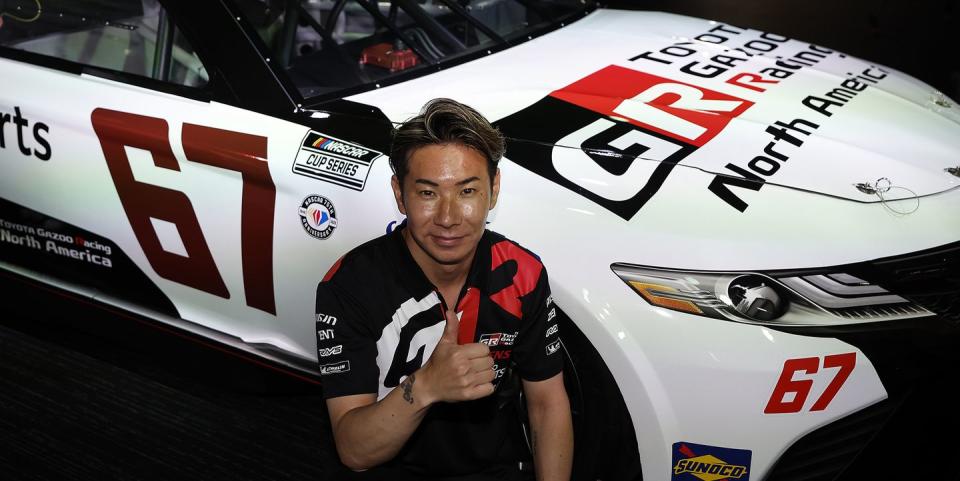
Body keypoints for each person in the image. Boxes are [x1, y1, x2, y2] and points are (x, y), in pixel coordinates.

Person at [315, 98, 573, 480]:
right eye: (428, 193)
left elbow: (548, 404)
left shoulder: (522, 272)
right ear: (400, 194)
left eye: (467, 192)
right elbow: (354, 451)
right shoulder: (349, 285)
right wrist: (426, 387)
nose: (449, 218)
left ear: (494, 189)